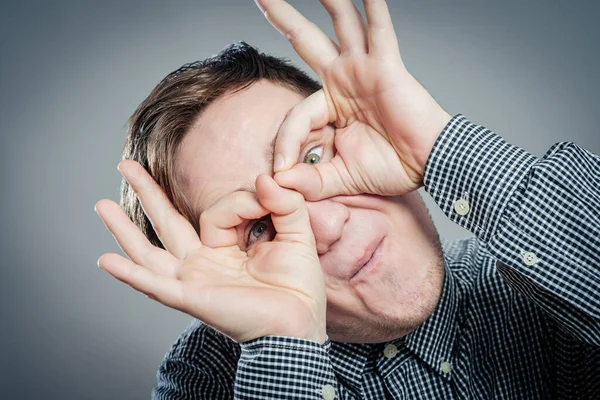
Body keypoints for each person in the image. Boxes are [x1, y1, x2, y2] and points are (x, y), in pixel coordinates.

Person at [95, 0, 600, 398]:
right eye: (259, 227)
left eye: (313, 158)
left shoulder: (531, 275)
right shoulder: (204, 379)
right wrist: (283, 339)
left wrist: (442, 147)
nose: (328, 225)